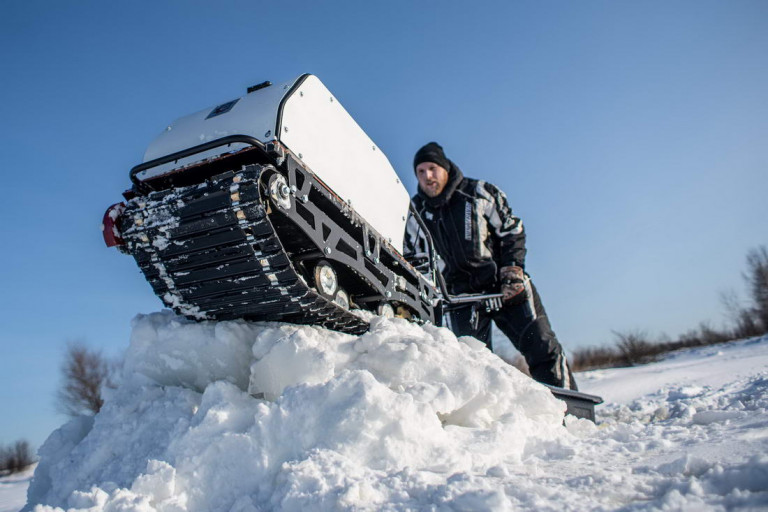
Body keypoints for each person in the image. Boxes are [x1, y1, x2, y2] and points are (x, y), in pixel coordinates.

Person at [404, 142, 577, 389]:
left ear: (445, 168)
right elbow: (414, 257)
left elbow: (512, 231)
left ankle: (571, 411)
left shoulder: (479, 193)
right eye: (420, 172)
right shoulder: (415, 214)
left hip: (504, 287)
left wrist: (512, 271)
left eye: (432, 168)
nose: (427, 176)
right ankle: (489, 422)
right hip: (461, 296)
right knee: (470, 365)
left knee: (542, 347)